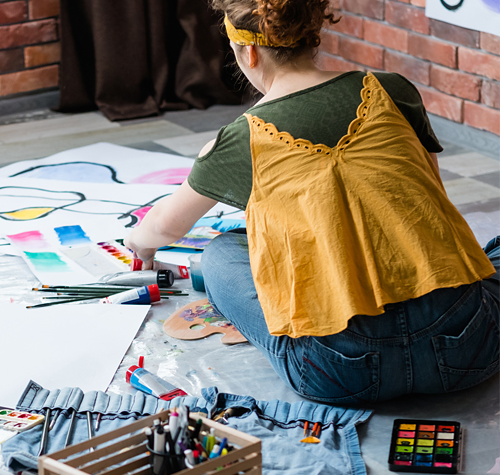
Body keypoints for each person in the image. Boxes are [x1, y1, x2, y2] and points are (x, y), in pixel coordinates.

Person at [124, 0, 499, 404]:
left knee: (221, 253)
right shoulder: (391, 89)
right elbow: (427, 193)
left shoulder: (239, 139)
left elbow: (166, 225)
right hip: (469, 346)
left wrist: (140, 245)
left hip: (341, 371)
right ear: (312, 36)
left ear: (247, 52)